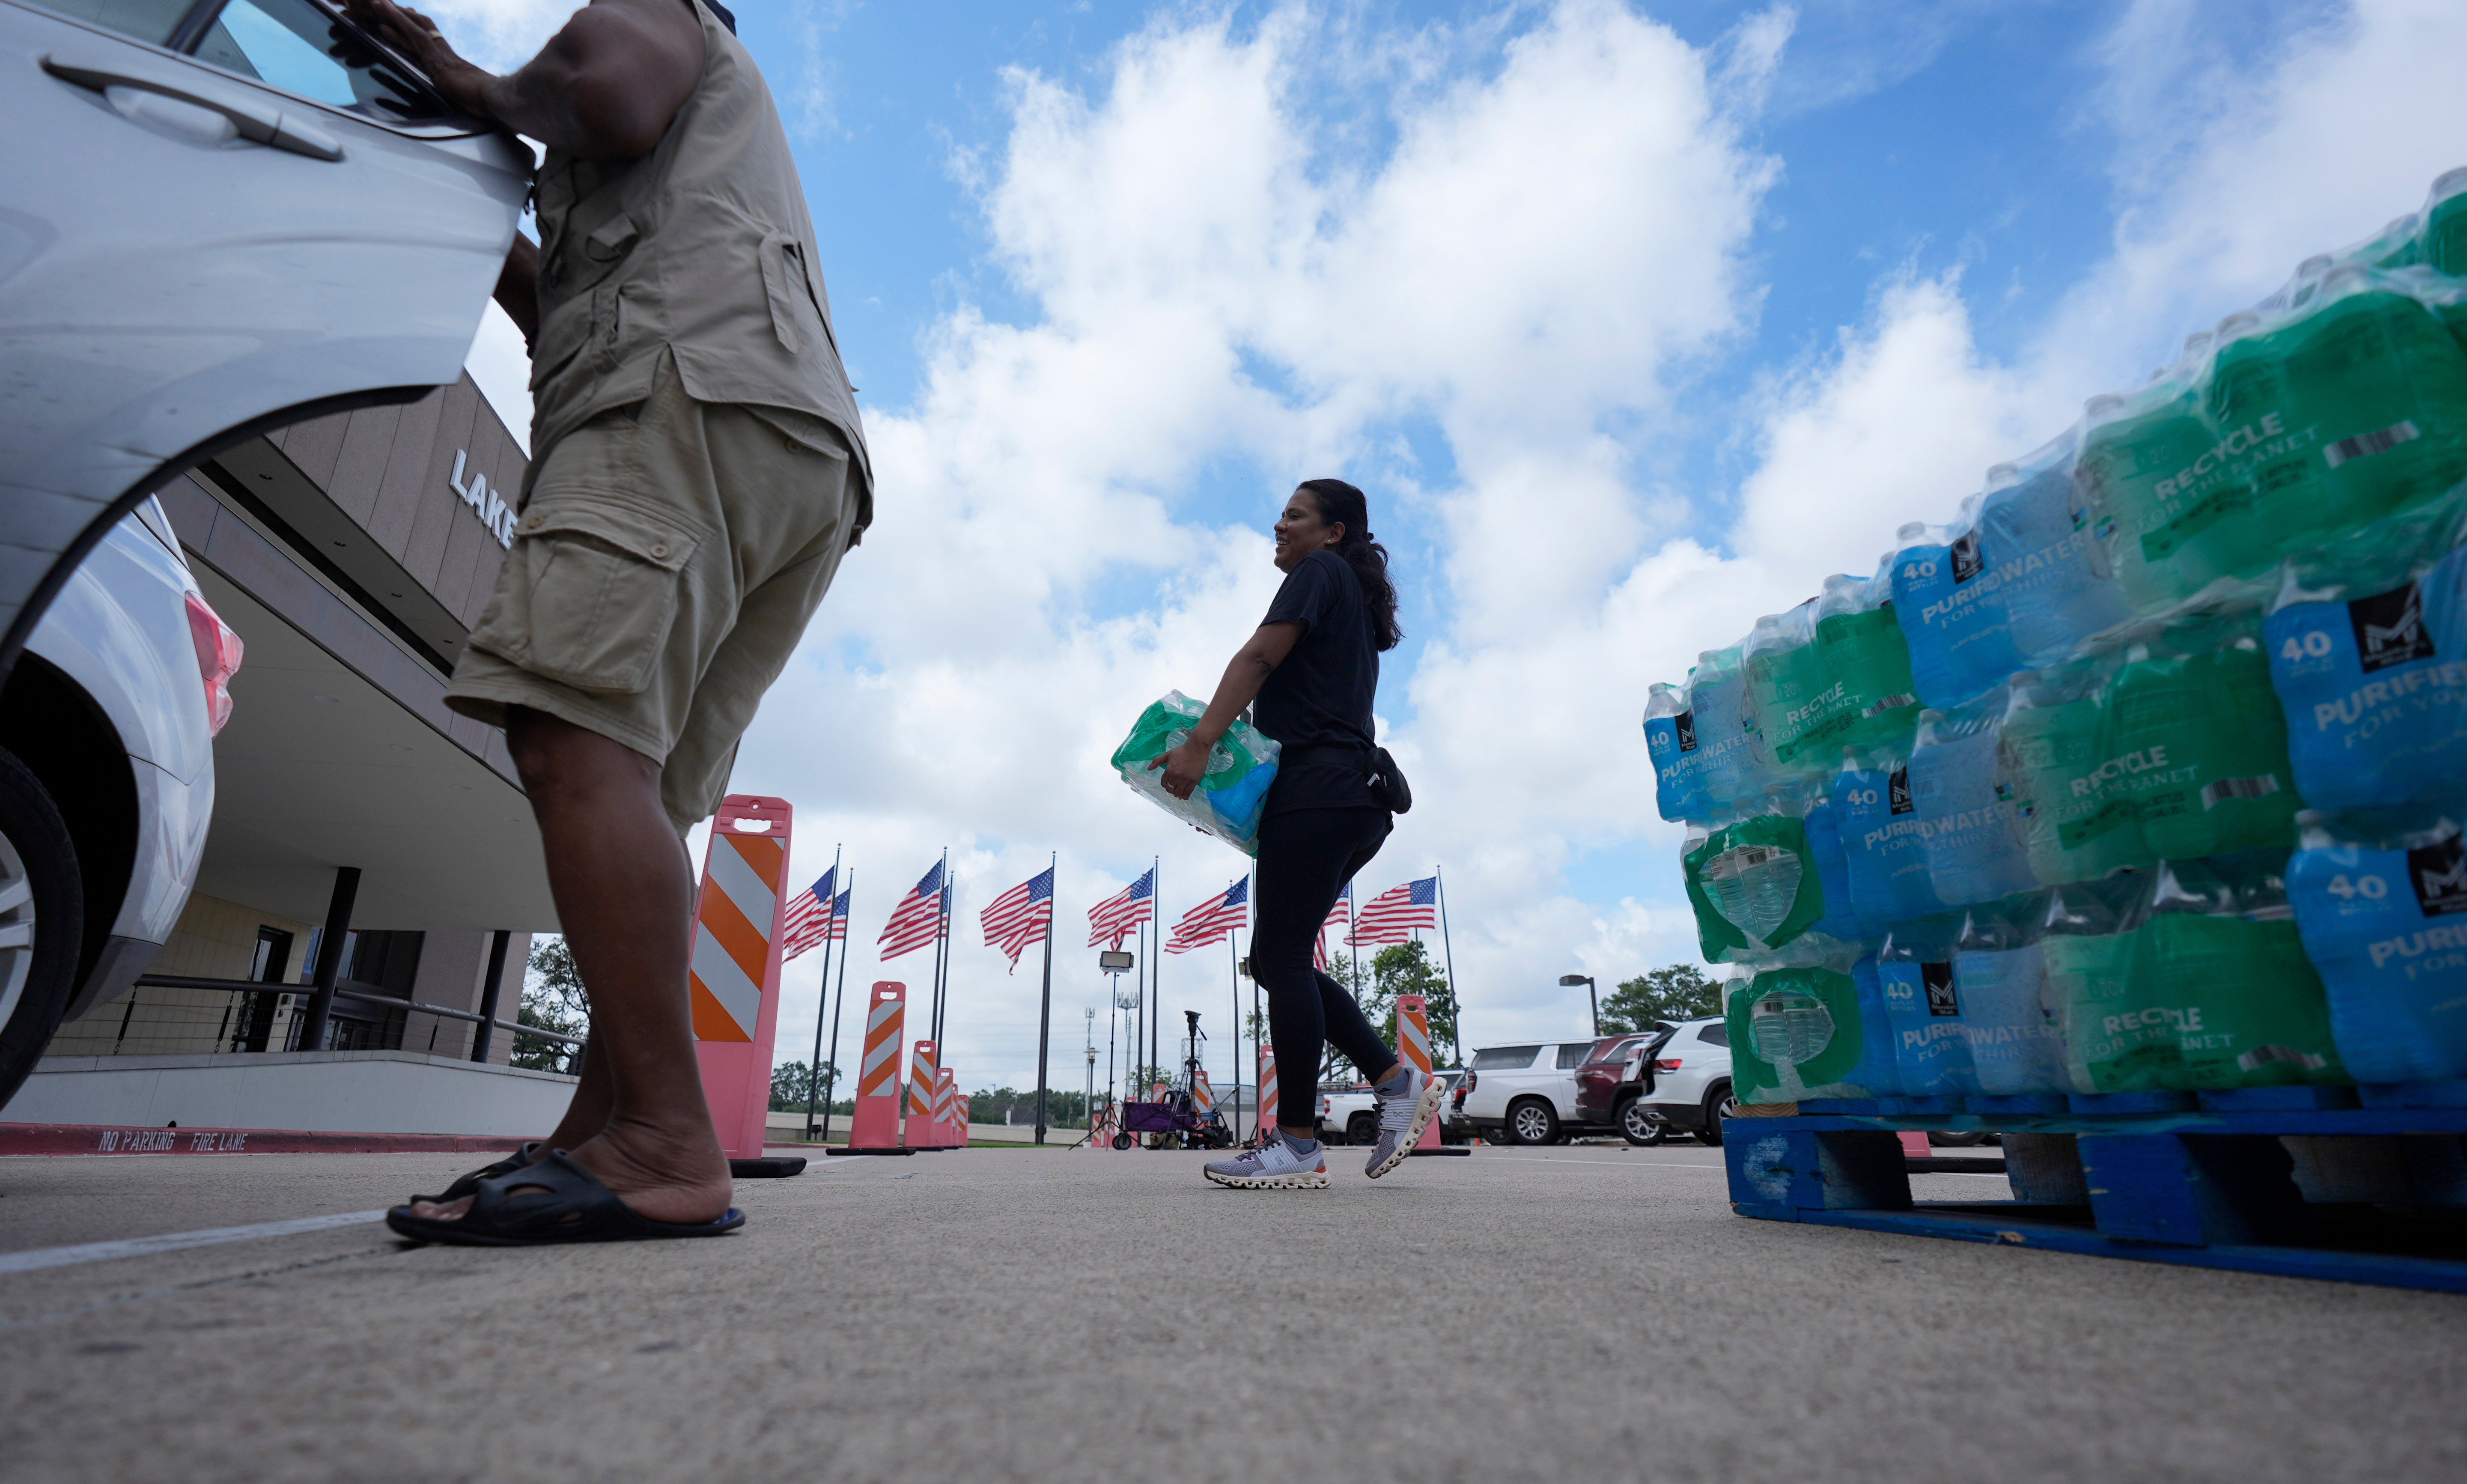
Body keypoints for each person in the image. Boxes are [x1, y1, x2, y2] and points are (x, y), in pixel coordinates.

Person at [347, 0, 872, 1243]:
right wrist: (470, 214)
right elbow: (561, 303)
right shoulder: (724, 142)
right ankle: (609, 1132)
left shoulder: (660, 14)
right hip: (792, 448)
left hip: (677, 401)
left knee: (570, 738)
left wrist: (466, 82)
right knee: (642, 787)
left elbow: (605, 94)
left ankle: (661, 1141)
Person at [1150, 480, 1443, 1189]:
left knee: (1278, 961)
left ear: (1335, 532)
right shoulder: (1350, 594)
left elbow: (1256, 660)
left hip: (1319, 794)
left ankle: (1299, 1144)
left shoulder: (1320, 573)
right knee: (1285, 961)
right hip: (1354, 798)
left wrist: (1199, 741)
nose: (1278, 524)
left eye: (1295, 514)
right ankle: (1395, 1083)